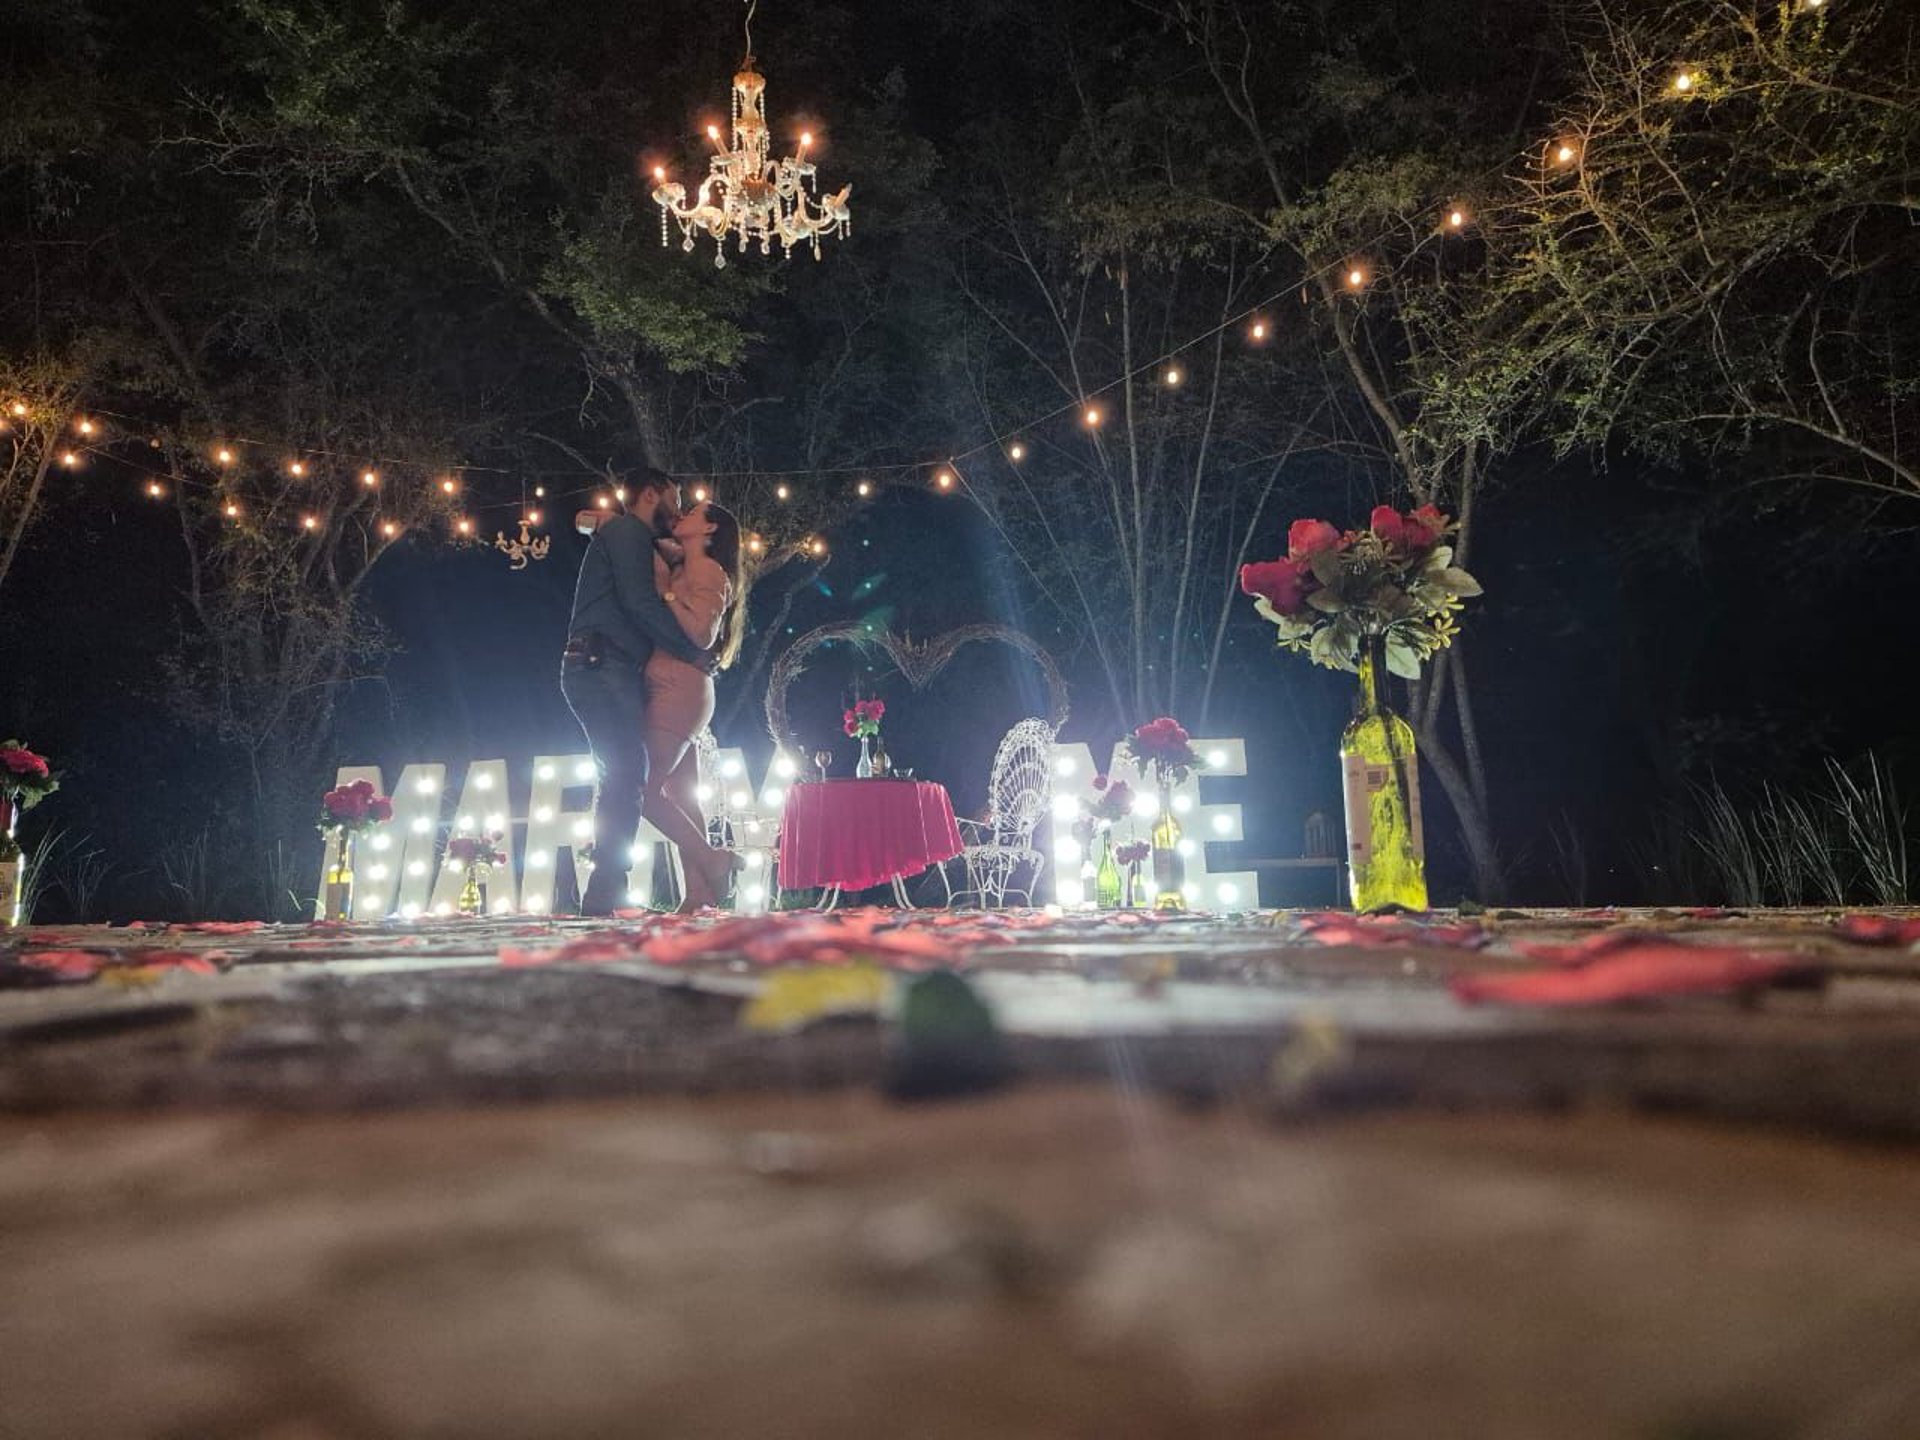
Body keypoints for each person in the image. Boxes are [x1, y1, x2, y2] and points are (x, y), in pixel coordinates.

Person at [560, 468, 714, 916]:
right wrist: (691, 651)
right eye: (675, 495)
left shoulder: (631, 536)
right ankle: (607, 892)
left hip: (611, 667)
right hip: (600, 664)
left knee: (625, 774)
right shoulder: (627, 529)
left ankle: (607, 892)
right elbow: (638, 602)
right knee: (627, 773)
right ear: (651, 493)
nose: (680, 506)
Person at [643, 500, 748, 911]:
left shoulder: (707, 570)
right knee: (683, 795)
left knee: (643, 791)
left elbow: (703, 633)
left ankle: (713, 859)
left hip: (679, 684)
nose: (683, 512)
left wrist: (665, 590)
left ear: (710, 530)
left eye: (695, 511)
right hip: (680, 682)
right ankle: (698, 895)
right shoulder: (691, 564)